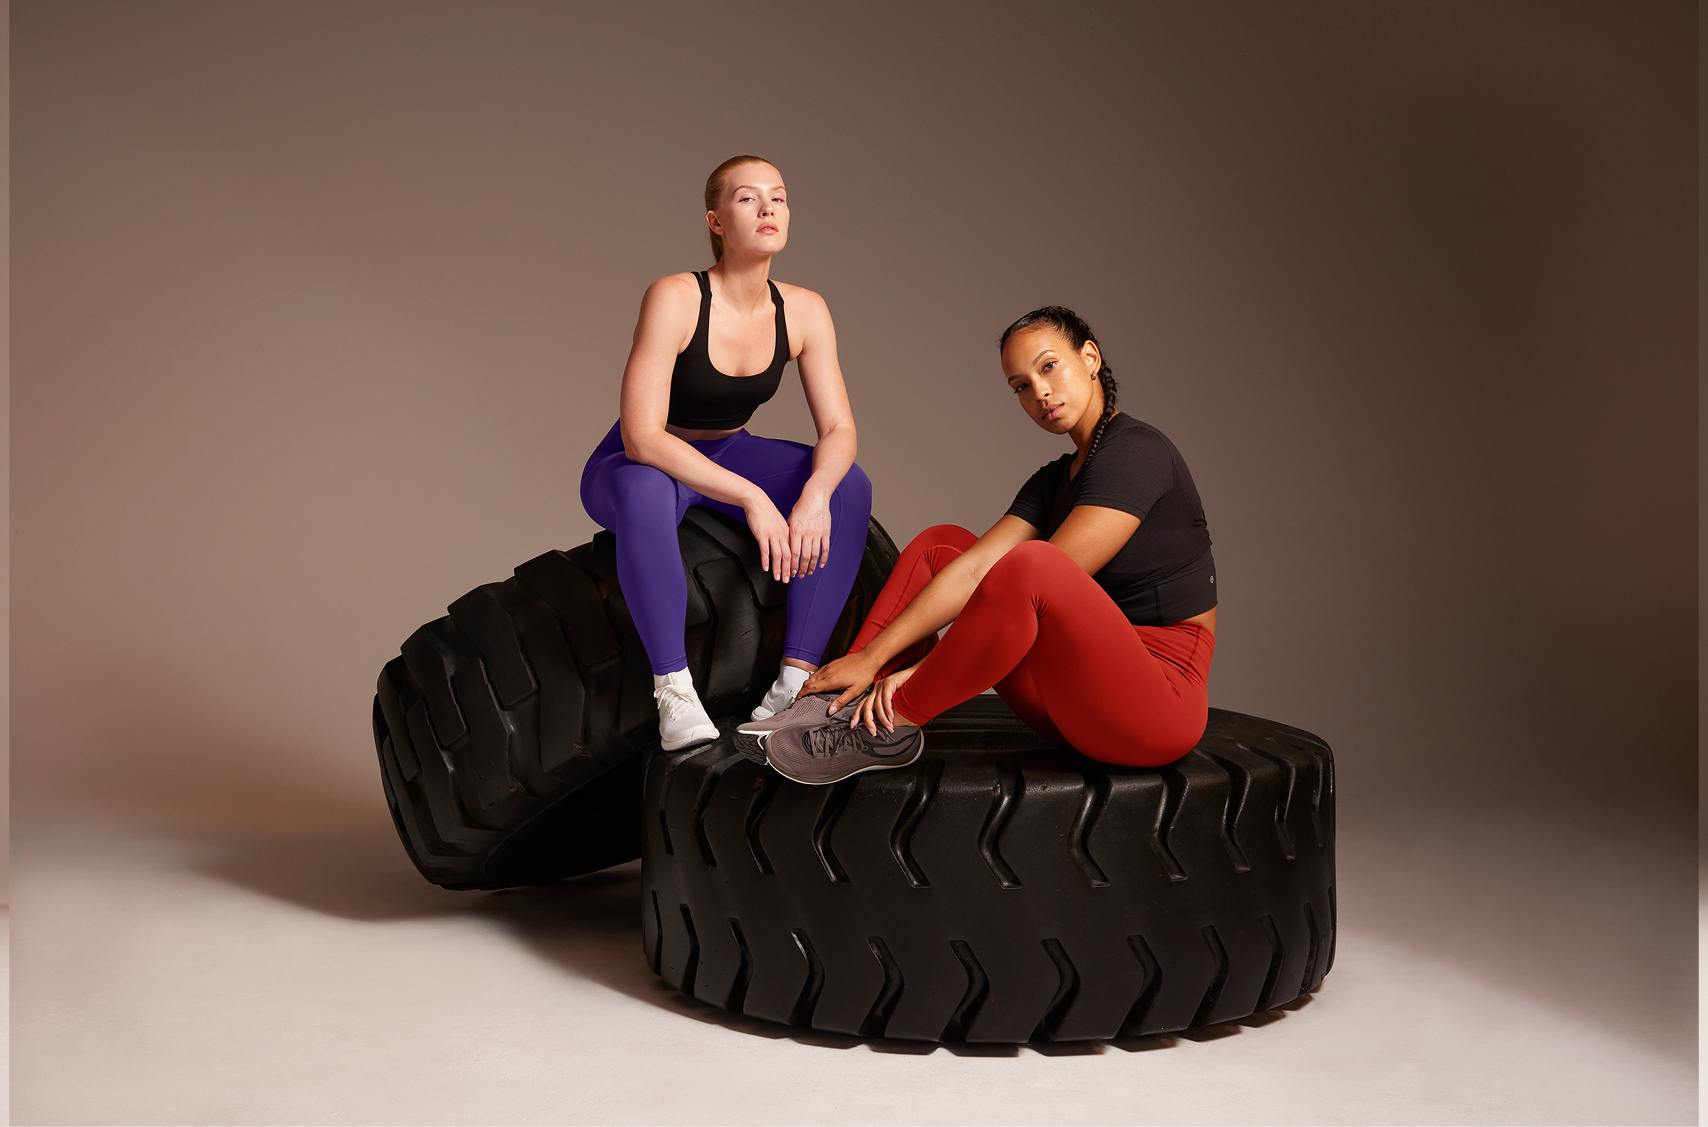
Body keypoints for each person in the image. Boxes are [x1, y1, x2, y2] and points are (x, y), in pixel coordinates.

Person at [736, 306, 1217, 785]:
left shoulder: (1137, 451)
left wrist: (924, 673)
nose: (1039, 392)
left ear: (1089, 358)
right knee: (940, 546)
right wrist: (874, 658)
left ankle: (893, 723)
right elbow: (972, 571)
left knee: (1033, 565)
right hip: (1069, 695)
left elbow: (1053, 573)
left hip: (1155, 709)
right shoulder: (1053, 479)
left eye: (1048, 366)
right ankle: (840, 702)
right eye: (1021, 386)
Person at [580, 156, 871, 751]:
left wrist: (813, 495)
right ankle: (674, 689)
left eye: (779, 197)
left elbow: (839, 428)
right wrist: (752, 497)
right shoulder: (676, 297)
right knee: (646, 487)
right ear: (715, 219)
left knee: (847, 483)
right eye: (747, 198)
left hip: (731, 452)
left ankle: (794, 682)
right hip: (645, 461)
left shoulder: (805, 310)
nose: (768, 208)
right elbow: (642, 437)